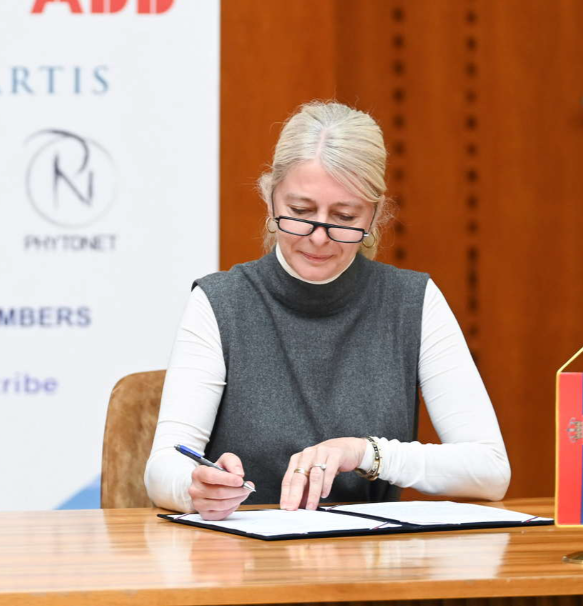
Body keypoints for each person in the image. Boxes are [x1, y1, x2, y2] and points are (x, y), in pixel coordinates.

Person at [144, 101, 510, 519]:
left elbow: (490, 471)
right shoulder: (220, 301)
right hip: (245, 552)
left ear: (374, 215)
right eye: (300, 212)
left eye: (344, 217)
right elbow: (163, 466)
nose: (319, 237)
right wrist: (195, 489)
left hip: (371, 554)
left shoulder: (412, 301)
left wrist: (366, 453)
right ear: (270, 199)